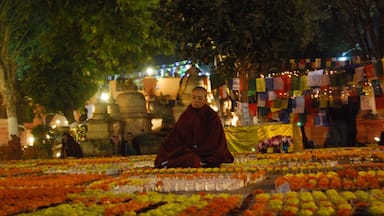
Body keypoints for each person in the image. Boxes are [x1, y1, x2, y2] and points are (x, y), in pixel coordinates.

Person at [154, 86, 234, 168]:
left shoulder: (211, 116)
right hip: (188, 151)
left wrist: (198, 149)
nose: (196, 101)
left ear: (205, 99)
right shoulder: (186, 115)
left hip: (207, 153)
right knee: (177, 157)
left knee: (193, 159)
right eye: (194, 98)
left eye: (199, 98)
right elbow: (176, 135)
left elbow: (215, 138)